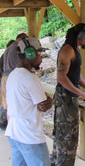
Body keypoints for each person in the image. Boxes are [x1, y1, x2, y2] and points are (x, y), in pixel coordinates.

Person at [51, 23, 85, 166]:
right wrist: (83, 94)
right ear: (81, 36)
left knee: (65, 138)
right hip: (65, 100)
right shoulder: (67, 50)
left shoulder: (73, 49)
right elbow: (61, 78)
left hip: (69, 98)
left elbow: (75, 76)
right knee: (66, 142)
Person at [5, 37, 53, 166]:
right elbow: (43, 106)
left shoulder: (13, 75)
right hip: (29, 135)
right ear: (30, 53)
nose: (41, 57)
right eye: (39, 53)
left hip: (14, 132)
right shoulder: (30, 78)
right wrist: (50, 99)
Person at [0, 33, 28, 129]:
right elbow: (19, 64)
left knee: (6, 101)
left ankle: (4, 121)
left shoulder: (9, 48)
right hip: (11, 76)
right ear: (20, 39)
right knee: (11, 101)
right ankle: (5, 122)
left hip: (5, 76)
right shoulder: (17, 48)